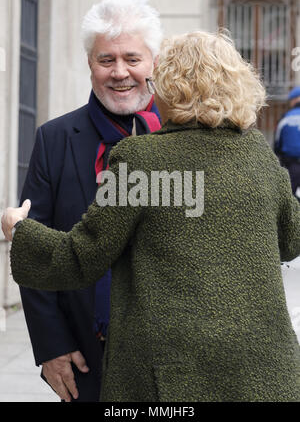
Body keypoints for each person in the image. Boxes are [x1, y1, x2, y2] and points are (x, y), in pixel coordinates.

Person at [3, 30, 300, 402]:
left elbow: (82, 256)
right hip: (265, 370)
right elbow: (290, 241)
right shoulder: (257, 152)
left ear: (168, 87)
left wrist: (20, 230)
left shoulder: (140, 158)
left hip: (172, 376)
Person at [16, 0, 162, 402]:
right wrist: (51, 346)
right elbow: (33, 249)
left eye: (132, 59)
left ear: (153, 62)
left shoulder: (183, 138)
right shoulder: (54, 139)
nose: (120, 73)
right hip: (85, 356)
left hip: (170, 358)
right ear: (89, 64)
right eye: (106, 60)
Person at [274, 86, 300, 201]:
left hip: (292, 165)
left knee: (289, 198)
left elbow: (277, 142)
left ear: (295, 100)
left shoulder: (285, 119)